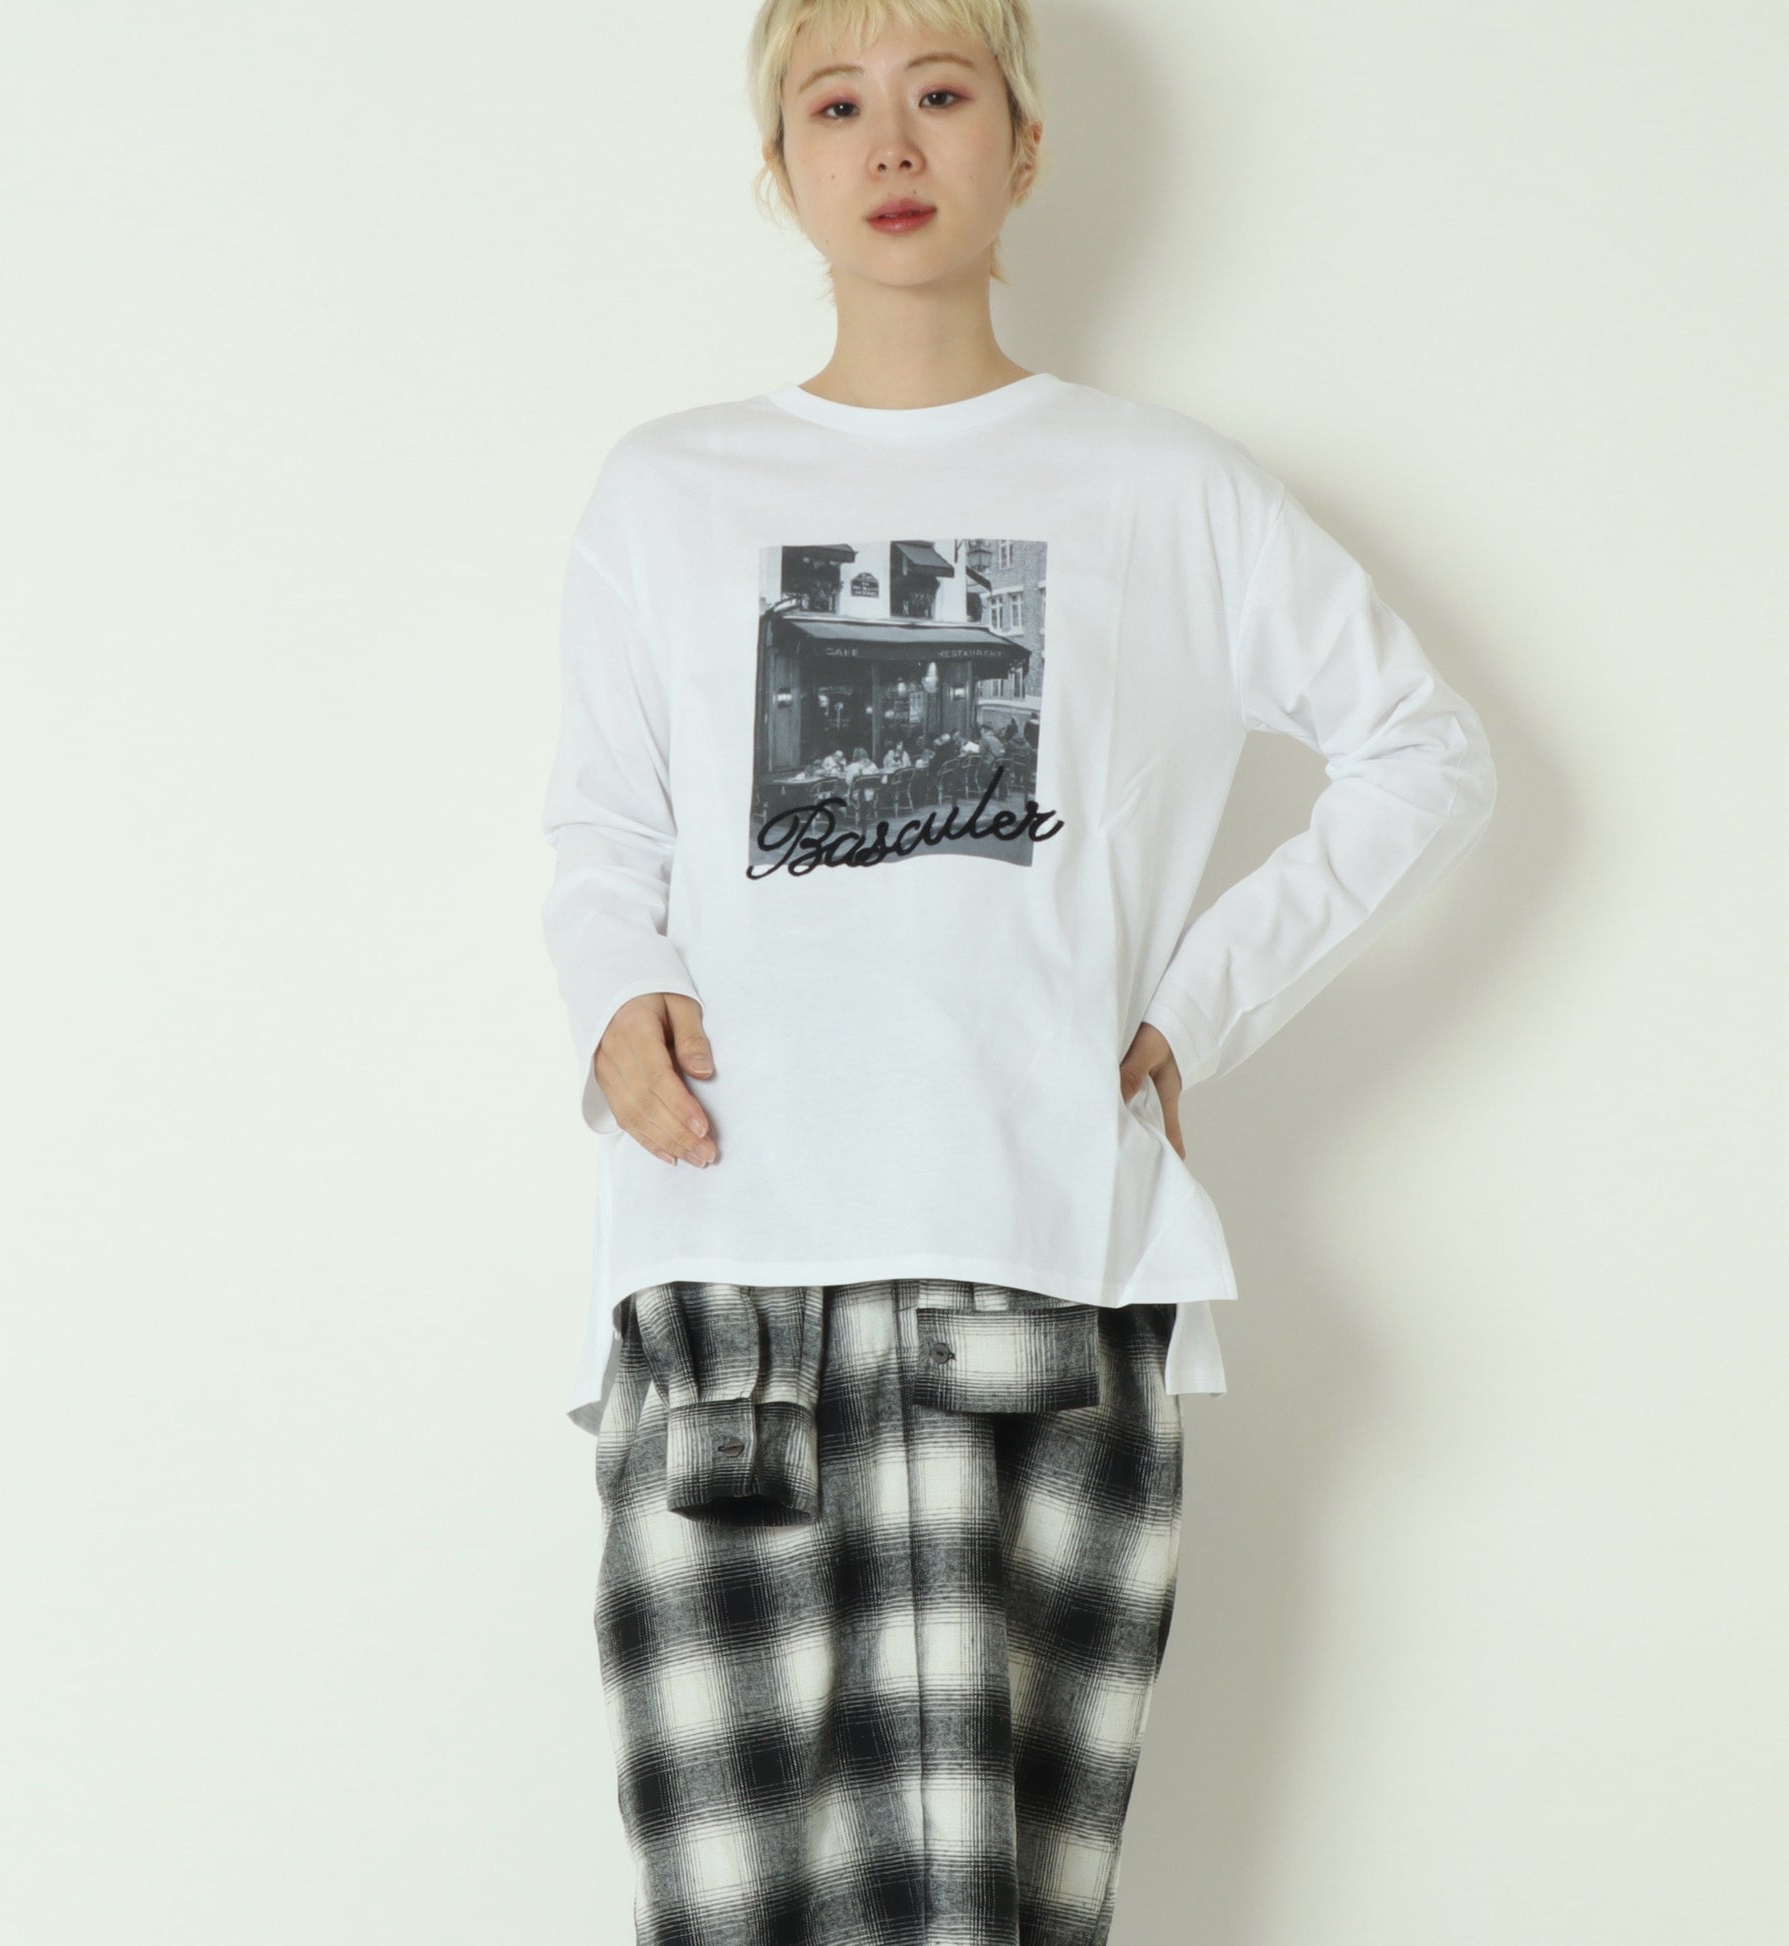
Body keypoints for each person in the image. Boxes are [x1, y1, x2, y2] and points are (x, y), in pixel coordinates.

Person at [536, 4, 1496, 1941]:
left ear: (1025, 146)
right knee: (726, 1907)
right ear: (782, 169)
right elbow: (601, 826)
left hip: (1045, 1255)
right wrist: (616, 991)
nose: (890, 140)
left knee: (1005, 1909)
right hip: (731, 1254)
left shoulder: (1161, 487)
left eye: (942, 93)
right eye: (835, 104)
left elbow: (1420, 750)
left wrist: (1194, 1007)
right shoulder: (670, 487)